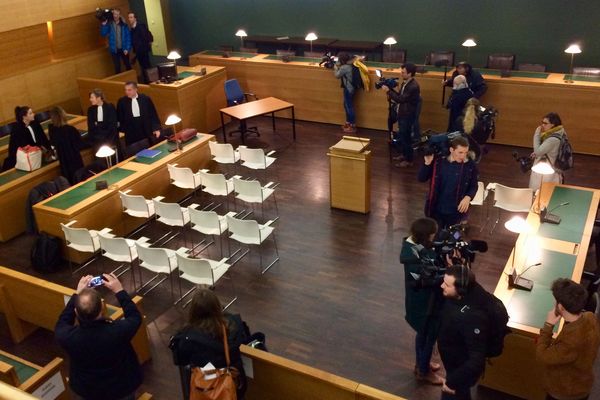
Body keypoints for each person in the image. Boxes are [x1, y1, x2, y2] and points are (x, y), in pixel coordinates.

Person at [55, 274, 143, 400]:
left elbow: (62, 321)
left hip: (86, 390)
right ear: (102, 308)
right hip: (121, 389)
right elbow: (134, 317)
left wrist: (77, 295)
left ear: (75, 312)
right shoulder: (117, 331)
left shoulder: (68, 337)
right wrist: (119, 291)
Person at [170, 289, 248, 399]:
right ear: (217, 307)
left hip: (202, 386)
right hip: (230, 384)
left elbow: (180, 360)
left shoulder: (187, 336)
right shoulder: (232, 327)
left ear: (193, 311)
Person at [536, 278, 600, 400]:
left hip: (565, 392)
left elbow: (542, 356)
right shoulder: (590, 316)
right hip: (583, 381)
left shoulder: (571, 341)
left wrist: (548, 326)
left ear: (560, 306)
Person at [400, 217, 444, 384]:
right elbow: (422, 280)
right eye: (433, 235)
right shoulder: (412, 258)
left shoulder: (414, 247)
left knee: (424, 335)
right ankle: (423, 371)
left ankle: (421, 363)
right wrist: (445, 276)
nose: (435, 238)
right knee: (428, 336)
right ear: (425, 236)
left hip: (425, 302)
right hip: (424, 305)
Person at [438, 265, 488, 400]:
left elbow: (476, 360)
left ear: (460, 290)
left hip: (459, 374)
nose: (442, 286)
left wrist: (452, 382)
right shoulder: (455, 298)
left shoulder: (471, 318)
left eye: (447, 285)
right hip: (453, 366)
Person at [418, 136, 479, 228]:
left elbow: (474, 185)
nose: (463, 156)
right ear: (451, 150)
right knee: (436, 237)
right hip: (436, 209)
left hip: (456, 211)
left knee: (452, 237)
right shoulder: (438, 162)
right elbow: (421, 178)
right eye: (460, 152)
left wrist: (468, 197)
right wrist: (427, 163)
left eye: (465, 152)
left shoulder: (470, 166)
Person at [381, 63, 421, 167]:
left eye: (403, 72)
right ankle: (404, 154)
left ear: (410, 73)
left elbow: (401, 99)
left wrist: (389, 91)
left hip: (407, 115)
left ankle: (409, 160)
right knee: (402, 136)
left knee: (406, 137)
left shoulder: (413, 86)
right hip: (402, 113)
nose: (401, 74)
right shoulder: (405, 83)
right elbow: (400, 96)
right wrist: (391, 90)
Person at [116, 81, 161, 152]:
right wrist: (121, 130)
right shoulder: (122, 102)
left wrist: (156, 128)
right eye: (126, 90)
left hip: (145, 130)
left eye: (129, 90)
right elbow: (120, 118)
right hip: (131, 132)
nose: (127, 92)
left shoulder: (145, 99)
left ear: (136, 89)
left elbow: (153, 114)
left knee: (149, 150)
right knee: (134, 152)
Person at [3, 106, 51, 170]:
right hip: (23, 159)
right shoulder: (17, 129)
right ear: (24, 117)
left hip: (37, 154)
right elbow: (21, 147)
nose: (33, 114)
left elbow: (43, 137)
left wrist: (49, 150)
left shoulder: (35, 123)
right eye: (30, 113)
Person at [528, 112, 565, 191]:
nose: (542, 125)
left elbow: (538, 152)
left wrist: (536, 134)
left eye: (545, 123)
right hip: (552, 168)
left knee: (540, 193)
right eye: (542, 123)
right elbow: (545, 149)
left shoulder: (552, 139)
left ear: (553, 124)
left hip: (545, 171)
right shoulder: (560, 132)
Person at [48, 106, 84, 184]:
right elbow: (79, 144)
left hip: (64, 162)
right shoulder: (71, 129)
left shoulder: (53, 131)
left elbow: (53, 144)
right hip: (75, 160)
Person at [100, 8, 132, 74]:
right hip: (114, 50)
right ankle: (119, 83)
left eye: (117, 14)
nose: (115, 16)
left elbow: (128, 38)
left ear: (119, 15)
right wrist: (104, 25)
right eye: (114, 14)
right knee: (117, 67)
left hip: (124, 49)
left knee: (128, 65)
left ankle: (132, 81)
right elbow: (103, 34)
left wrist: (127, 48)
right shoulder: (109, 24)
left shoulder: (124, 25)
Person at [87, 88, 119, 153]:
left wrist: (98, 124)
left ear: (99, 97)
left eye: (92, 97)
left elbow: (112, 126)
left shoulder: (110, 107)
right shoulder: (90, 110)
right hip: (97, 142)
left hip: (110, 140)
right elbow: (91, 127)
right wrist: (103, 125)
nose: (90, 100)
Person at [334, 52, 357, 134]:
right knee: (346, 105)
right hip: (352, 88)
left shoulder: (344, 67)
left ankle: (352, 126)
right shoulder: (352, 64)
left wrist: (336, 67)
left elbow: (337, 75)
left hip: (348, 88)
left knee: (349, 106)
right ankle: (348, 123)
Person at [127, 12, 153, 82]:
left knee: (147, 66)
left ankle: (150, 80)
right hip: (138, 51)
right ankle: (146, 81)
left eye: (131, 17)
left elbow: (147, 36)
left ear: (135, 18)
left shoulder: (140, 26)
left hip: (143, 50)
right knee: (142, 66)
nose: (129, 19)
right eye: (129, 17)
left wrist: (147, 45)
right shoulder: (132, 29)